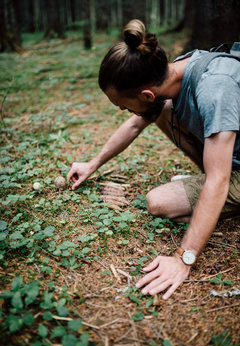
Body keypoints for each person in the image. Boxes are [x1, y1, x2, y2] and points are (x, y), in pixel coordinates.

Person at [67, 20, 240, 300]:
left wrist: (183, 258)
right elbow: (137, 124)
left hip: (229, 170)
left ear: (146, 94)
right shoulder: (176, 71)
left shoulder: (215, 90)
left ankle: (215, 204)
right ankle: (209, 198)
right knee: (163, 110)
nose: (124, 110)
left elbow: (219, 181)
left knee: (160, 202)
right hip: (229, 155)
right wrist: (92, 164)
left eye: (123, 104)